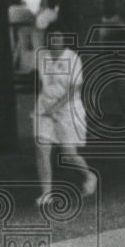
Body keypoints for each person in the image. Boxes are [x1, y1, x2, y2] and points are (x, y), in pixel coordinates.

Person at [33, 23, 97, 205]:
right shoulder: (41, 56)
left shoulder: (73, 58)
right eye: (52, 38)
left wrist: (56, 107)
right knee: (41, 149)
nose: (55, 42)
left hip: (68, 109)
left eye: (59, 38)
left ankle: (89, 175)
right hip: (44, 108)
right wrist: (45, 105)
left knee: (68, 154)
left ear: (63, 39)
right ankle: (47, 194)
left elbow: (73, 89)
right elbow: (40, 80)